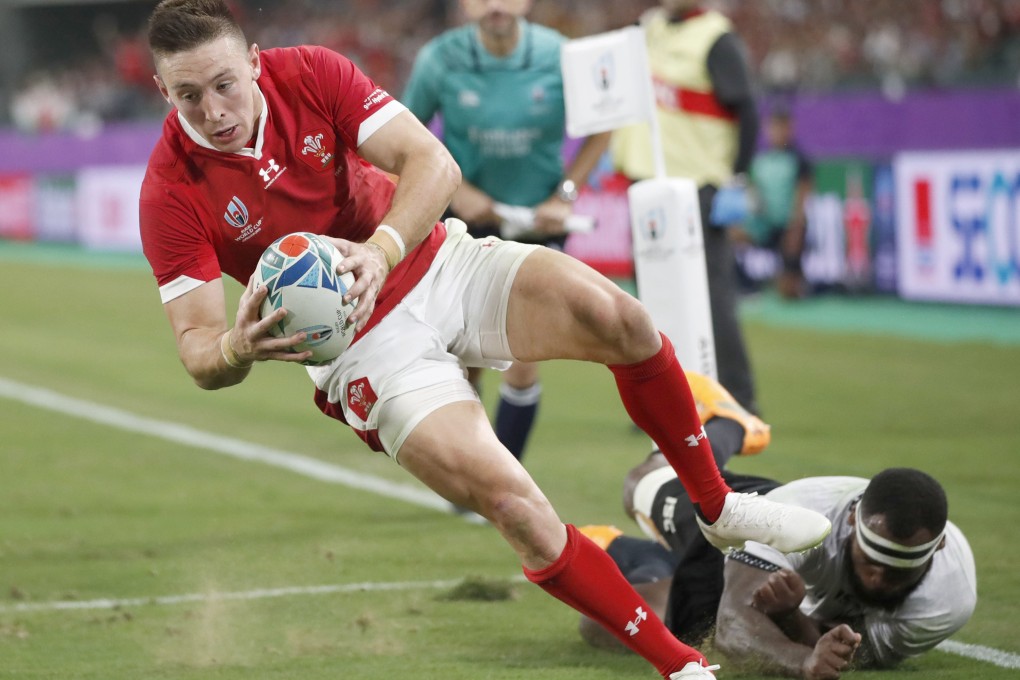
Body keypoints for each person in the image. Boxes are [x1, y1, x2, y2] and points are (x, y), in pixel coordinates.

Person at [138, 1, 831, 677]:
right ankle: (681, 668)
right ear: (164, 92)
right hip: (360, 349)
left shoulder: (311, 72)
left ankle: (716, 505)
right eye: (189, 96)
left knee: (623, 321)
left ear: (255, 64)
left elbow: (431, 163)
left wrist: (380, 252)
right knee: (513, 506)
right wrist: (235, 349)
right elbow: (197, 345)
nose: (214, 111)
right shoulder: (170, 188)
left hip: (431, 258)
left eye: (224, 84)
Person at [578, 427, 976, 679]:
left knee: (604, 620)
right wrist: (801, 663)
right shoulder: (800, 513)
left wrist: (789, 615)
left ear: (936, 549)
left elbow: (841, 654)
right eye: (870, 563)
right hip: (756, 519)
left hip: (779, 584)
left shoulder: (948, 597)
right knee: (643, 483)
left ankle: (628, 553)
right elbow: (734, 625)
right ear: (853, 521)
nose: (877, 579)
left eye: (898, 574)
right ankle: (728, 424)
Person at [402, 0, 611, 463]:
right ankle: (472, 468)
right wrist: (457, 191)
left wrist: (566, 194)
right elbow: (404, 134)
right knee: (465, 358)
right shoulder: (439, 58)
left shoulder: (561, 55)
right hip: (463, 227)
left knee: (522, 358)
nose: (495, 5)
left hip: (536, 228)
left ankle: (503, 476)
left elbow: (602, 128)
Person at [609, 0, 761, 414]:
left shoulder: (715, 38)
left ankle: (737, 402)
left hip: (696, 187)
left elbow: (747, 110)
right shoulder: (648, 26)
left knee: (711, 299)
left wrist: (738, 178)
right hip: (649, 187)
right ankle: (667, 403)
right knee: (651, 302)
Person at [737, 107, 813, 299]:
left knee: (789, 294)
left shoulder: (799, 160)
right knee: (732, 233)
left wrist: (795, 226)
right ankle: (745, 285)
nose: (776, 132)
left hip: (789, 227)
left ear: (789, 129)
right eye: (773, 127)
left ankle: (793, 276)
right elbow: (753, 192)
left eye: (781, 127)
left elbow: (803, 197)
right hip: (764, 224)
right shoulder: (761, 160)